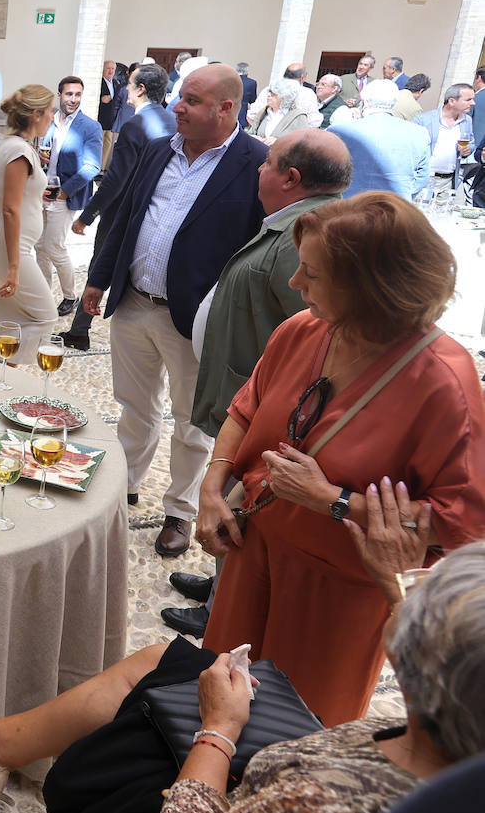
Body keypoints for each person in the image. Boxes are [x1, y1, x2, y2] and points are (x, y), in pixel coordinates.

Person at [0, 524, 485, 813]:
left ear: (412, 659)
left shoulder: (322, 807)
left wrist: (218, 729)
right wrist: (392, 584)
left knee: (159, 704)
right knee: (177, 661)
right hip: (265, 776)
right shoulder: (454, 764)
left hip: (198, 811)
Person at [196, 191, 485, 726]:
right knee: (215, 702)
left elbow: (464, 524)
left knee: (295, 734)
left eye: (312, 273)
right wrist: (212, 489)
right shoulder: (302, 330)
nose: (294, 284)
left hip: (336, 593)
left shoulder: (444, 382)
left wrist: (332, 501)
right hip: (251, 552)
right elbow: (246, 407)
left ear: (372, 288)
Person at [165, 129, 352, 638]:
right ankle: (221, 586)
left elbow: (316, 337)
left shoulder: (309, 234)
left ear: (291, 178)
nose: (257, 170)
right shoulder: (291, 222)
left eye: (267, 163)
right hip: (245, 398)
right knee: (228, 501)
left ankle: (221, 606)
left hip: (268, 415)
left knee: (241, 508)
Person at [82, 64, 266, 554]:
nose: (177, 107)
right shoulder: (162, 149)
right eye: (180, 97)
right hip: (135, 303)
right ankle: (123, 489)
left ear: (226, 108)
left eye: (191, 100)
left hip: (194, 319)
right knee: (134, 409)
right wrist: (100, 278)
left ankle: (180, 511)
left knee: (191, 421)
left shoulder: (254, 163)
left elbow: (256, 247)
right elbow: (128, 216)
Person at [63, 63, 175, 351]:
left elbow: (115, 178)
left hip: (122, 209)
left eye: (130, 83)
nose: (125, 88)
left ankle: (79, 331)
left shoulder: (135, 125)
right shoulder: (173, 121)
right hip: (158, 210)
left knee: (100, 265)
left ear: (140, 89)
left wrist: (87, 215)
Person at [0, 85, 56, 363]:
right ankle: (5, 372)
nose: (53, 118)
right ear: (36, 115)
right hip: (8, 249)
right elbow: (9, 210)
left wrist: (30, 193)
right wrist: (15, 266)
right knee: (45, 316)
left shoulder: (3, 145)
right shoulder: (21, 152)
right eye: (50, 112)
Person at [38, 77, 103, 317]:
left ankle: (70, 295)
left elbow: (92, 166)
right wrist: (40, 158)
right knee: (38, 246)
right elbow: (45, 153)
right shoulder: (50, 120)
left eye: (77, 95)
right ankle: (43, 294)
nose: (73, 99)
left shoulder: (90, 126)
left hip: (64, 196)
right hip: (42, 192)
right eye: (69, 94)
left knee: (54, 246)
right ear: (59, 95)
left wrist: (65, 191)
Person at [328, 79, 430, 199]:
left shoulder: (339, 130)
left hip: (348, 205)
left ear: (366, 102)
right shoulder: (419, 133)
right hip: (395, 206)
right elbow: (422, 177)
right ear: (394, 103)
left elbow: (325, 172)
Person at [412, 82, 474, 203]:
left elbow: (471, 143)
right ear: (452, 101)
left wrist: (468, 149)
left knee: (442, 216)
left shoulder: (467, 121)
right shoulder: (423, 120)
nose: (473, 103)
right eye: (468, 100)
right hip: (425, 179)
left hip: (448, 181)